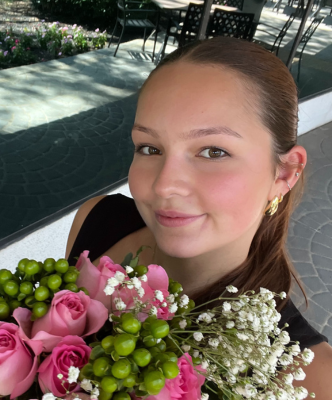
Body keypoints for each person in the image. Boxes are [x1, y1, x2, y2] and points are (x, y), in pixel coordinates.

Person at [66, 37, 332, 398]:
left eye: (213, 151)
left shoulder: (311, 377)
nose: (165, 185)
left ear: (284, 173)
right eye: (149, 147)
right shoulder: (95, 221)